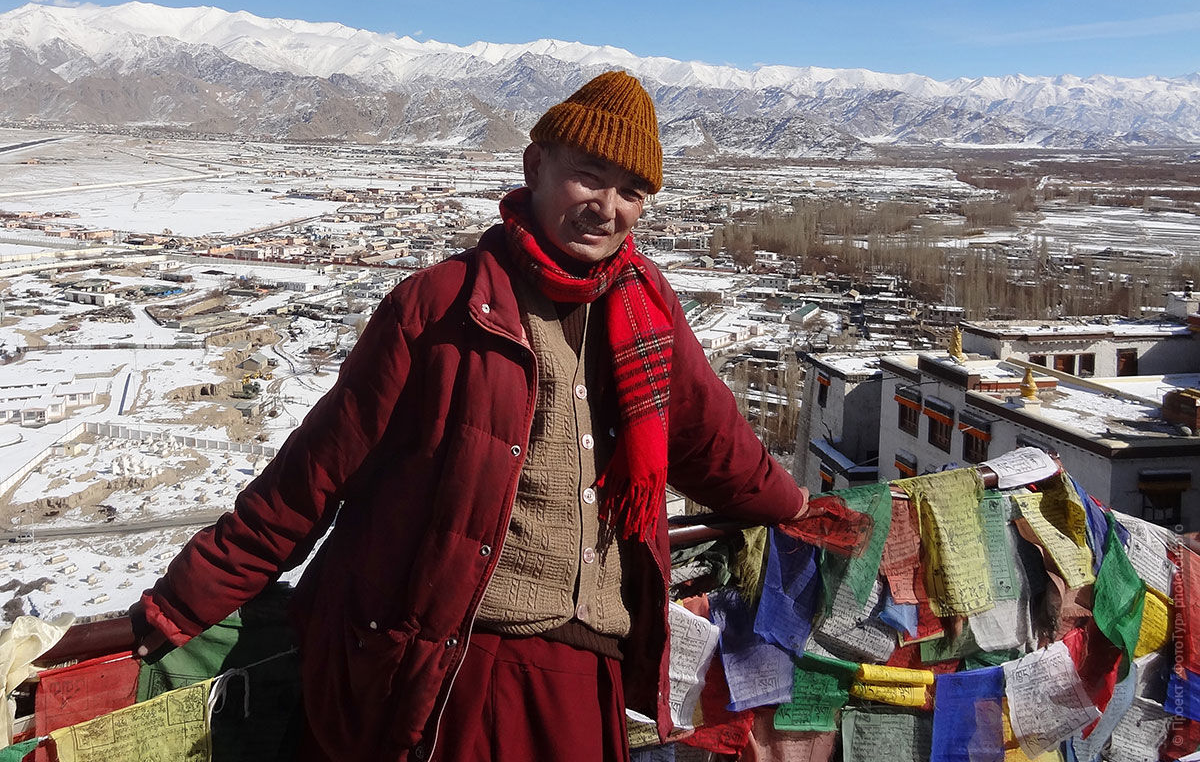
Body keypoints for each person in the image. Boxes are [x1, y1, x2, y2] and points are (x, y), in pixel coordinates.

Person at [130, 71, 808, 762]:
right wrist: (186, 602)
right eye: (589, 177)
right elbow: (314, 472)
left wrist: (795, 506)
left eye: (632, 191)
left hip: (586, 671)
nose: (608, 208)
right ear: (536, 166)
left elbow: (711, 439)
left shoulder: (646, 309)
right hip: (457, 661)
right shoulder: (439, 306)